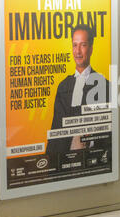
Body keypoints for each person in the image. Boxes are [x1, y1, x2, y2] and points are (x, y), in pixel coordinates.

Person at [46, 24, 110, 159]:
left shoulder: (104, 86)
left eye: (83, 45)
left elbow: (109, 133)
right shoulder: (63, 87)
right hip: (64, 165)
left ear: (91, 48)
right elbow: (55, 132)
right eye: (75, 45)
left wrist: (89, 140)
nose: (78, 51)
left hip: (93, 162)